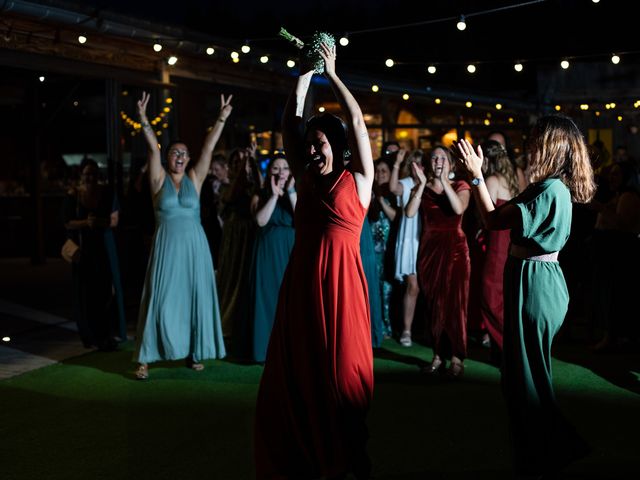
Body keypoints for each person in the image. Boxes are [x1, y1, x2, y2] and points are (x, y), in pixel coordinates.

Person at [255, 43, 374, 480]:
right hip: (303, 285)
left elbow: (358, 122)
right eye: (308, 146)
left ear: (337, 146)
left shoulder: (359, 180)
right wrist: (305, 73)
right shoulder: (304, 179)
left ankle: (343, 456)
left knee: (343, 380)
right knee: (300, 376)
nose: (312, 151)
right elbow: (290, 122)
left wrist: (333, 73)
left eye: (320, 144)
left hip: (342, 289)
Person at [455, 114, 595, 478]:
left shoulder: (551, 189)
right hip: (533, 280)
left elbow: (491, 218)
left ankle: (546, 454)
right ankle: (551, 449)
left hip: (536, 284)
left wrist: (475, 175)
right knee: (522, 378)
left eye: (536, 139)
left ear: (552, 147)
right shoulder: (547, 186)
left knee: (526, 381)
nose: (529, 144)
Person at [132, 92, 230, 380]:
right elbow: (152, 149)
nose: (180, 156)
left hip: (195, 247)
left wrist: (222, 117)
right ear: (168, 157)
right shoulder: (157, 179)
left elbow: (209, 149)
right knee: (158, 299)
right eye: (175, 152)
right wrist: (143, 120)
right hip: (166, 247)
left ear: (188, 159)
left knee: (194, 298)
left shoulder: (195, 179)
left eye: (184, 153)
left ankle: (194, 352)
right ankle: (145, 358)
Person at [405, 146, 471, 377]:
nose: (438, 161)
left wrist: (444, 181)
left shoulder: (461, 186)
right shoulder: (420, 188)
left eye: (443, 158)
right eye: (434, 157)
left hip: (455, 249)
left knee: (455, 304)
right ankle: (437, 355)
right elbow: (409, 213)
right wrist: (422, 184)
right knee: (434, 305)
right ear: (428, 163)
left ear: (451, 164)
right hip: (429, 251)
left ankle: (456, 357)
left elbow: (458, 207)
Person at [63, 158, 124, 350]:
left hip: (102, 248)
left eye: (93, 173)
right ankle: (89, 335)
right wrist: (85, 223)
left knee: (104, 291)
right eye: (87, 173)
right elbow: (66, 222)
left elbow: (114, 220)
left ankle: (105, 334)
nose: (90, 177)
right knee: (85, 294)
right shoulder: (73, 195)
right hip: (82, 250)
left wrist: (99, 222)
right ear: (81, 175)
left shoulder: (106, 193)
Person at [247, 156, 296, 363]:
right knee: (267, 299)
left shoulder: (297, 194)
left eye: (285, 167)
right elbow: (260, 220)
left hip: (291, 250)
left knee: (291, 300)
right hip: (267, 253)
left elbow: (302, 218)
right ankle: (264, 350)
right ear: (270, 172)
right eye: (276, 168)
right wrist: (274, 196)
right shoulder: (260, 194)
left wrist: (291, 192)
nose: (281, 172)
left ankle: (291, 349)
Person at [477, 140, 520, 361]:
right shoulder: (517, 177)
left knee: (490, 297)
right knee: (505, 300)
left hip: (496, 245)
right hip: (513, 243)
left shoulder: (492, 180)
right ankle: (503, 348)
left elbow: (488, 218)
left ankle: (508, 350)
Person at [217, 145, 262, 338]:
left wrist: (252, 162)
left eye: (243, 161)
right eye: (236, 162)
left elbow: (261, 188)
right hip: (234, 237)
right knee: (232, 277)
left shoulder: (255, 186)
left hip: (251, 234)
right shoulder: (225, 186)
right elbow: (232, 195)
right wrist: (245, 162)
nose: (240, 165)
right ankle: (226, 326)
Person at [389, 149, 423, 346]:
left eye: (421, 163)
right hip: (410, 236)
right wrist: (397, 163)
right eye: (414, 163)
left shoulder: (428, 183)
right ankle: (407, 330)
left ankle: (422, 328)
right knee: (412, 285)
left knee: (423, 286)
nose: (418, 167)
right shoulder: (407, 183)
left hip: (425, 235)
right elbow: (393, 188)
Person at [368, 158, 398, 338]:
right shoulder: (367, 193)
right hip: (371, 249)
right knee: (373, 288)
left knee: (387, 290)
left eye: (383, 171)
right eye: (377, 171)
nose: (380, 174)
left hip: (389, 250)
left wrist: (380, 198)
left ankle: (388, 325)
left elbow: (395, 218)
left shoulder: (394, 194)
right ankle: (375, 326)